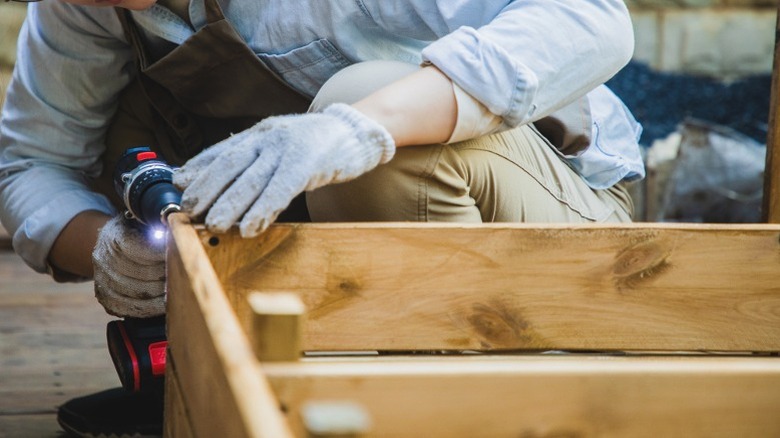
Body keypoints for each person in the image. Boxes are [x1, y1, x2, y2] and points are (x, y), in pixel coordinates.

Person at [0, 0, 644, 436]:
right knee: (130, 141)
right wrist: (106, 246)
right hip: (339, 249)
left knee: (364, 110)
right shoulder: (76, 10)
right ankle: (213, 375)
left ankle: (452, 402)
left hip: (553, 219)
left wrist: (356, 130)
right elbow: (31, 161)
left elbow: (594, 18)